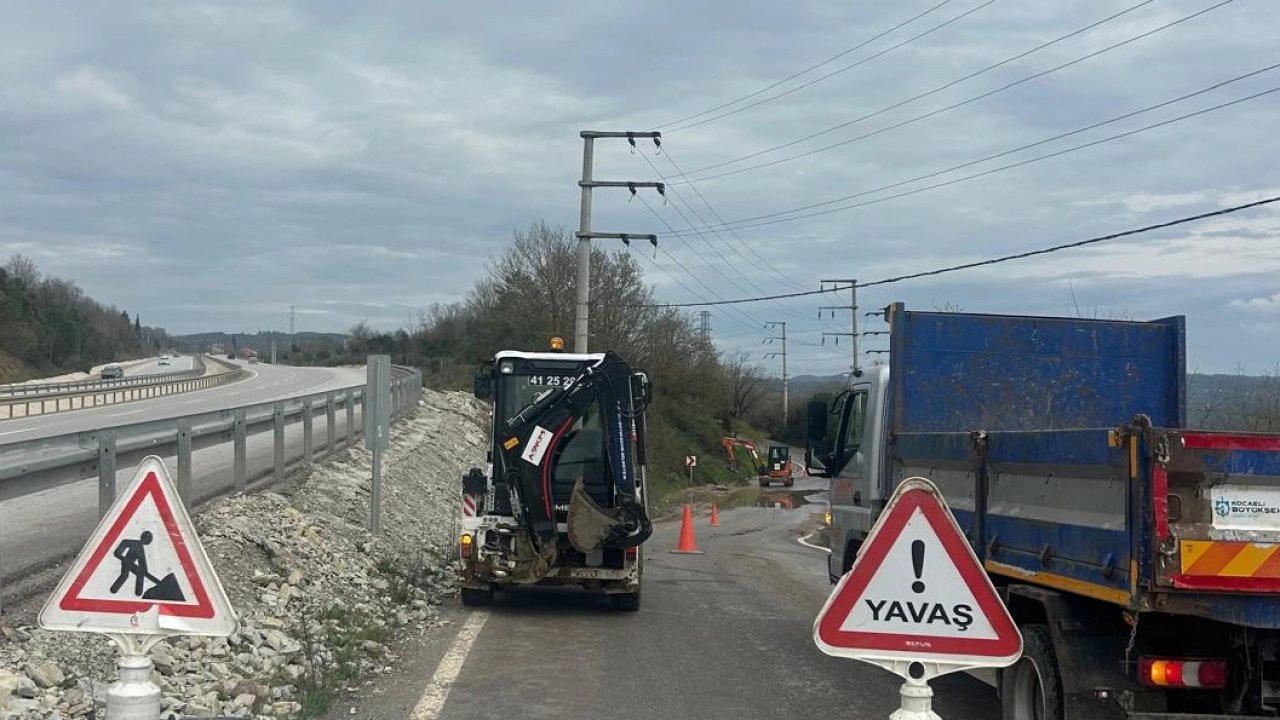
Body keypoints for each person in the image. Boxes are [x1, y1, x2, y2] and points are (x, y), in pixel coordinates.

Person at [110, 531, 152, 596]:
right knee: (125, 575)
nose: (146, 540)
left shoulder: (141, 549)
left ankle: (138, 593)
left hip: (131, 564)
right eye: (147, 539)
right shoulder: (134, 543)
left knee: (140, 574)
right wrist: (120, 555)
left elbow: (142, 561)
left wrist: (145, 571)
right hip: (126, 562)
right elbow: (124, 543)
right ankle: (113, 589)